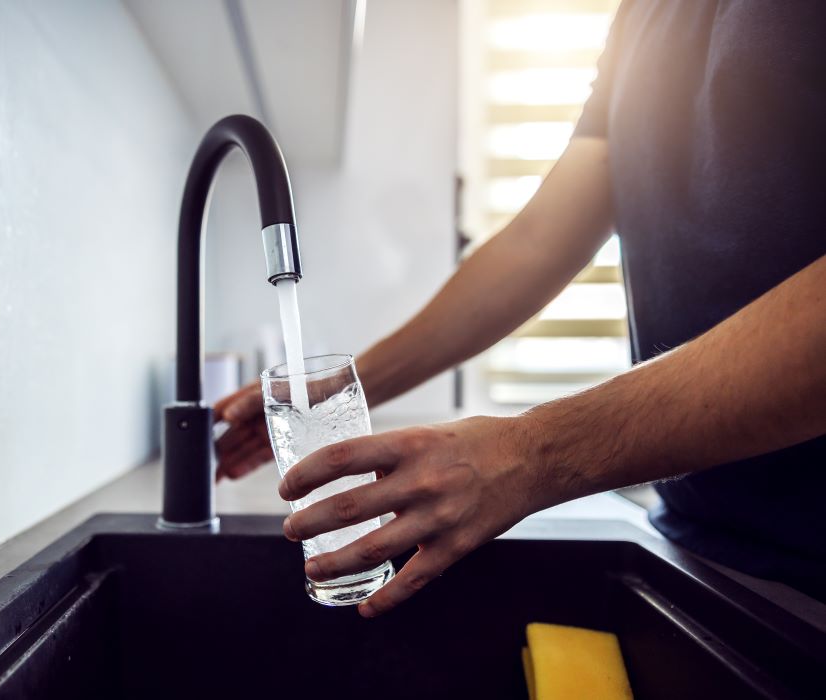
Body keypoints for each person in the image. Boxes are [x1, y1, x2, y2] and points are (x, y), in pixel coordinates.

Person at [213, 0, 826, 618]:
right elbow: (538, 243)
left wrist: (528, 453)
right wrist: (336, 396)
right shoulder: (644, 14)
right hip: (701, 540)